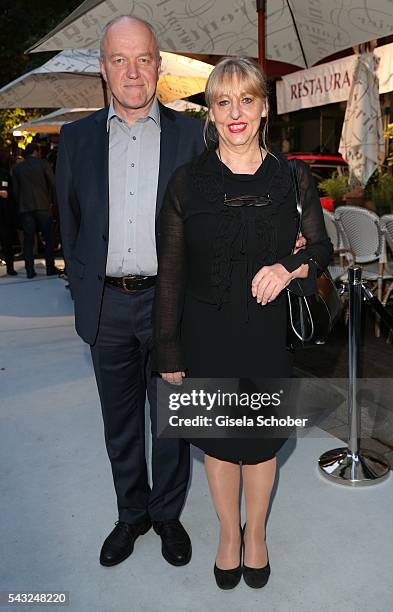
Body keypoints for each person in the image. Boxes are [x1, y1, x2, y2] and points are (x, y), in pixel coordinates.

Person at [153, 57, 333, 589]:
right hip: (206, 335)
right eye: (223, 101)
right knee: (218, 443)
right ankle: (229, 534)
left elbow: (320, 248)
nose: (235, 112)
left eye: (246, 100)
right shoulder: (187, 183)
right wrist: (168, 349)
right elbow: (170, 273)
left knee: (260, 444)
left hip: (266, 336)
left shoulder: (292, 176)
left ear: (264, 109)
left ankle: (257, 534)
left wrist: (289, 267)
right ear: (210, 112)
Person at [55, 16, 203, 568]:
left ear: (159, 65)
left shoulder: (193, 135)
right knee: (119, 421)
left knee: (171, 418)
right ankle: (131, 514)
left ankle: (167, 515)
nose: (132, 71)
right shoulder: (74, 139)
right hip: (108, 307)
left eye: (143, 58)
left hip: (173, 305)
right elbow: (69, 224)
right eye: (120, 59)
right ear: (103, 69)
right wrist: (86, 295)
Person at [12, 143, 59, 279]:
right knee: (49, 238)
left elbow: (16, 191)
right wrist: (52, 201)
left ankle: (29, 270)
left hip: (26, 208)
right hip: (43, 206)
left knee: (28, 240)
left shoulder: (18, 168)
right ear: (36, 151)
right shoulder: (43, 164)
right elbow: (53, 183)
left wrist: (20, 204)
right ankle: (50, 268)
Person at [0, 154, 17, 276]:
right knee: (7, 243)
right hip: (5, 214)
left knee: (7, 243)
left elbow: (9, 193)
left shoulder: (4, 173)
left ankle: (10, 268)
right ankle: (10, 268)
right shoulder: (4, 173)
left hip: (5, 214)